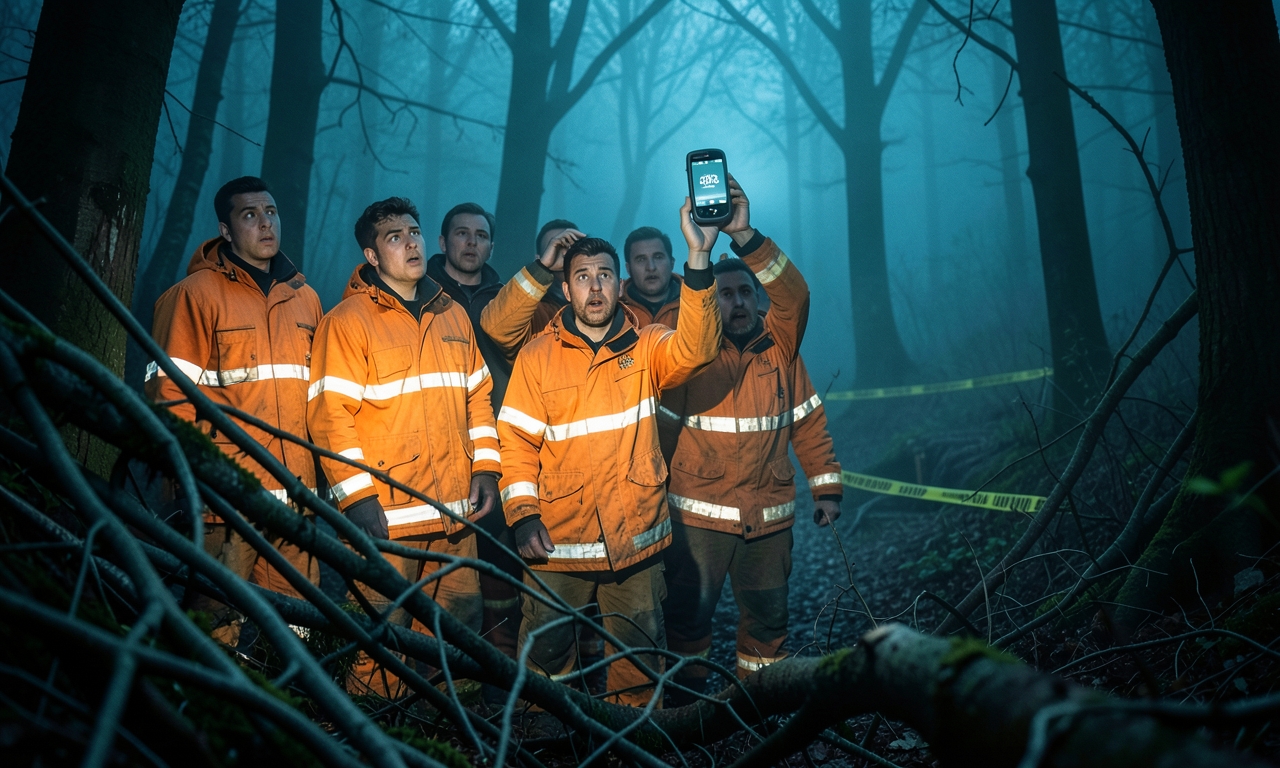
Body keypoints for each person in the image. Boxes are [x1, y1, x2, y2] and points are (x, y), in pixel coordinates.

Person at [494, 201, 724, 706]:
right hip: (558, 540)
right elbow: (514, 442)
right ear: (566, 287)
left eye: (603, 276)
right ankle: (545, 740)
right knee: (547, 661)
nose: (594, 287)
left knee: (639, 662)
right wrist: (523, 515)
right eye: (581, 277)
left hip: (635, 540)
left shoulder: (648, 346)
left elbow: (700, 347)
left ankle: (634, 751)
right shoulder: (537, 356)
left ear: (620, 286)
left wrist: (699, 255)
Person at [307, 197, 500, 697]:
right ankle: (376, 734)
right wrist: (358, 499)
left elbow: (478, 396)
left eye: (414, 232)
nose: (411, 242)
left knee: (457, 634)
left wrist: (486, 468)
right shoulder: (347, 322)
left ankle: (448, 734)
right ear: (371, 257)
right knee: (383, 637)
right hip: (388, 520)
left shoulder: (452, 314)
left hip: (457, 515)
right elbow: (330, 418)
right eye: (395, 237)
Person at [658, 177, 842, 697]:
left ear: (758, 297)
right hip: (697, 518)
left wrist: (825, 488)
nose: (737, 302)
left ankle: (759, 714)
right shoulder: (689, 354)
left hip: (768, 519)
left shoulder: (780, 346)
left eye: (745, 292)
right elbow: (661, 433)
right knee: (688, 624)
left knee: (767, 624)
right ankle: (689, 711)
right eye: (724, 293)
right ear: (709, 301)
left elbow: (807, 420)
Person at [145, 176, 322, 646]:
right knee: (217, 620)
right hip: (227, 499)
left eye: (271, 212)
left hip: (296, 496)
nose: (265, 223)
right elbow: (168, 400)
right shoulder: (192, 296)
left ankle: (288, 713)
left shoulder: (306, 298)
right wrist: (195, 485)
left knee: (298, 624)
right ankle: (205, 713)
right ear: (225, 230)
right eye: (250, 215)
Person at [424, 202, 523, 663]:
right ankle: (433, 664)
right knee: (445, 562)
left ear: (490, 245)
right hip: (434, 446)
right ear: (442, 243)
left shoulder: (505, 300)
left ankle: (499, 661)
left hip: (496, 444)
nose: (471, 243)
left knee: (501, 558)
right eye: (461, 234)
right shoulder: (417, 294)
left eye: (480, 236)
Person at [621, 226, 681, 327]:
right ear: (628, 268)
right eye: (641, 259)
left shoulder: (695, 304)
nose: (651, 267)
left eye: (658, 257)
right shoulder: (615, 310)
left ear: (672, 263)